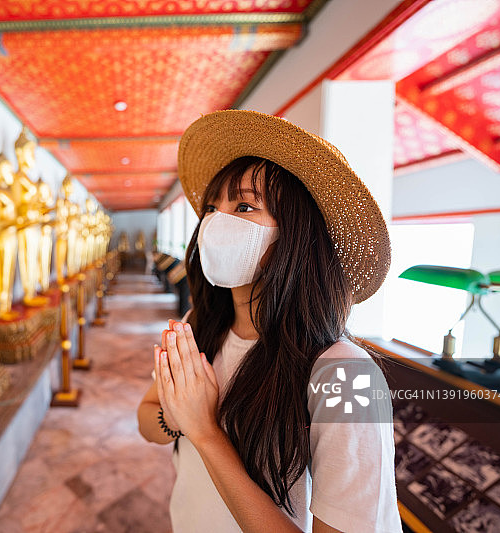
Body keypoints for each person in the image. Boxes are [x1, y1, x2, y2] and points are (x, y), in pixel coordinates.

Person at [137, 110, 401, 532]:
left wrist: (205, 430)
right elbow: (148, 419)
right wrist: (177, 415)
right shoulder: (200, 324)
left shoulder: (347, 376)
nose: (216, 222)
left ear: (296, 235)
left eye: (244, 205)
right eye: (211, 208)